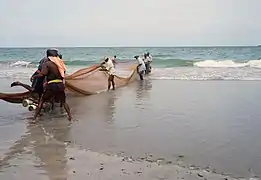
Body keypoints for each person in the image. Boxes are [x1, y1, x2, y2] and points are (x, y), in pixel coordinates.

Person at [31, 49, 72, 121]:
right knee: (64, 102)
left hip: (52, 85)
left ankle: (34, 119)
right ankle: (70, 117)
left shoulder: (47, 63)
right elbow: (63, 73)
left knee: (41, 101)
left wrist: (34, 76)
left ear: (48, 56)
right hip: (60, 85)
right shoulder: (60, 63)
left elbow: (42, 74)